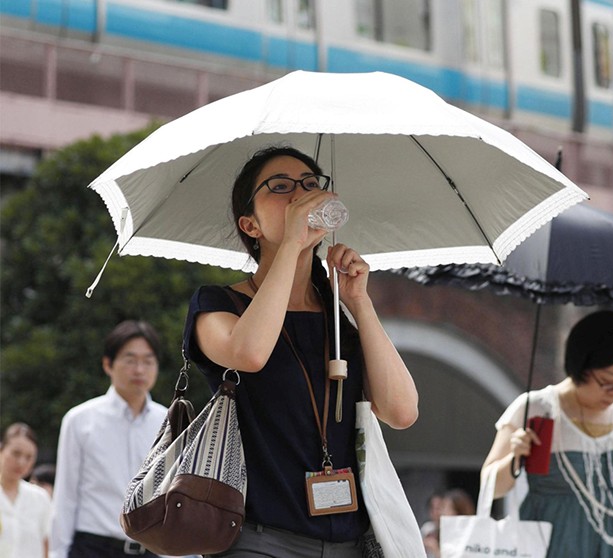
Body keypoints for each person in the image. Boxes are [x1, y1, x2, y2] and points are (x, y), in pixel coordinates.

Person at [183, 146, 418, 556]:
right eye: (280, 187)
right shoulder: (217, 304)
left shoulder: (338, 319)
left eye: (311, 185)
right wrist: (292, 245)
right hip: (257, 536)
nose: (301, 196)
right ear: (250, 224)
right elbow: (250, 353)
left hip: (347, 540)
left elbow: (401, 411)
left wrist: (358, 302)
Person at [481, 310, 613, 557]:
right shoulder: (536, 407)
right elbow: (490, 487)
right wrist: (515, 456)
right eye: (608, 382)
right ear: (581, 365)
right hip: (552, 546)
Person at [50, 320, 166, 558]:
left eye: (148, 361)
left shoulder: (169, 422)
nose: (139, 370)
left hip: (153, 550)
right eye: (130, 360)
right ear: (108, 364)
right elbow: (65, 497)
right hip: (93, 547)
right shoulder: (80, 420)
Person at [0, 423, 51, 558]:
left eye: (29, 457)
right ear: (2, 450)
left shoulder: (40, 498)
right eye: (16, 454)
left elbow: (46, 545)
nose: (21, 462)